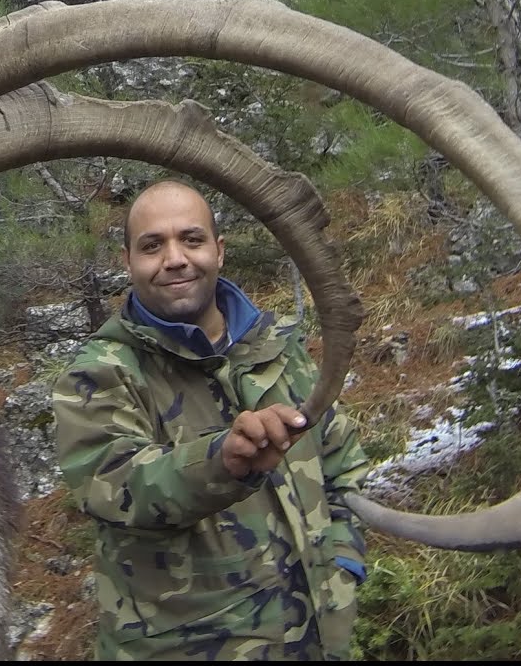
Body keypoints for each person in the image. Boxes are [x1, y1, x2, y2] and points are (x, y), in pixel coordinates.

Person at [51, 179, 371, 661]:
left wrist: (343, 560)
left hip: (319, 637)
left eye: (192, 239)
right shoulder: (100, 373)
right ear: (128, 262)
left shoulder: (277, 346)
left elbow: (342, 462)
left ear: (219, 252)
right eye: (152, 245)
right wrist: (223, 461)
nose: (175, 258)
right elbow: (115, 487)